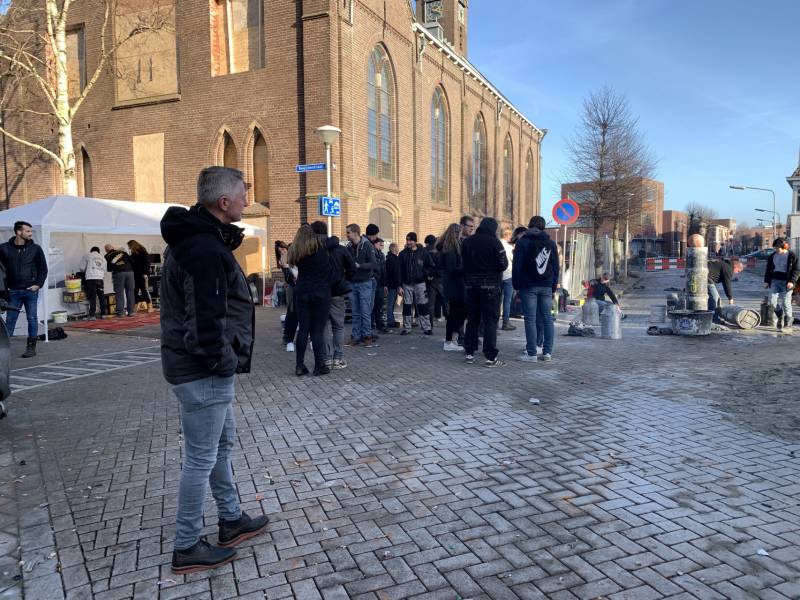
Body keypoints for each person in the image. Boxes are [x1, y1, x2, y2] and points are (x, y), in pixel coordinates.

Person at [160, 166, 268, 574]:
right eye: (243, 193)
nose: (247, 198)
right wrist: (223, 361)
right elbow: (205, 320)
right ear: (224, 203)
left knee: (219, 448)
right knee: (201, 458)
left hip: (200, 369)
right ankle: (187, 545)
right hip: (202, 371)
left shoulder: (199, 239)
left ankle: (231, 518)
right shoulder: (202, 248)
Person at [462, 218, 508, 367]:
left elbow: (463, 262)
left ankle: (469, 352)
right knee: (490, 321)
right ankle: (490, 357)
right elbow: (503, 264)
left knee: (472, 319)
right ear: (493, 228)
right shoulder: (495, 242)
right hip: (490, 286)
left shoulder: (467, 242)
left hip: (471, 286)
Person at [513, 215, 559, 363]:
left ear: (529, 225)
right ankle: (547, 353)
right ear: (543, 227)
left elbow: (517, 266)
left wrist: (516, 285)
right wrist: (553, 287)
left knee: (530, 319)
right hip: (546, 285)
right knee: (547, 319)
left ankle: (532, 353)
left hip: (528, 286)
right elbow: (556, 267)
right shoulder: (551, 243)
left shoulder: (522, 242)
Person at [288, 225, 333, 376]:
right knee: (317, 330)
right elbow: (334, 242)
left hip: (302, 292)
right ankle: (319, 365)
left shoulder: (296, 253)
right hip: (320, 292)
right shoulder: (320, 249)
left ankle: (299, 366)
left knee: (303, 329)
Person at [0, 220, 48, 357]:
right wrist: (3, 289)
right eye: (27, 231)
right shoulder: (4, 248)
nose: (30, 234)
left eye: (31, 231)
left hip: (30, 290)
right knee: (10, 320)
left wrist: (38, 284)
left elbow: (43, 269)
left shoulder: (36, 249)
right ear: (18, 232)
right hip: (13, 291)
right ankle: (4, 349)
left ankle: (31, 348)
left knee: (32, 318)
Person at [311, 221, 355, 370]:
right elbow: (351, 268)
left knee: (324, 327)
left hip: (321, 293)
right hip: (337, 292)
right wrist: (345, 280)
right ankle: (338, 358)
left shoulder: (314, 250)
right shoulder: (341, 250)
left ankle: (327, 358)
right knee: (338, 327)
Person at [346, 224, 377, 346]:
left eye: (348, 232)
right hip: (353, 283)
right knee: (355, 311)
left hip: (365, 282)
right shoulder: (348, 247)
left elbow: (373, 263)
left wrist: (360, 266)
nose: (347, 235)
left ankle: (367, 336)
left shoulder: (367, 245)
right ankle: (356, 336)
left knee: (365, 310)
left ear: (355, 233)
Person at [399, 232, 435, 336]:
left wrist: (428, 274)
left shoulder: (423, 253)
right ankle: (407, 328)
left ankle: (427, 327)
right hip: (407, 284)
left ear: (415, 241)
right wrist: (399, 285)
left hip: (420, 283)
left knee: (423, 306)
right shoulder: (402, 254)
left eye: (411, 240)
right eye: (407, 240)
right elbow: (399, 270)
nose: (408, 242)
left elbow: (431, 265)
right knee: (406, 306)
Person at [438, 224, 466, 352]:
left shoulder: (449, 247)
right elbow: (452, 269)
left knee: (456, 313)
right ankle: (449, 341)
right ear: (456, 233)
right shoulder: (450, 249)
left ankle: (452, 340)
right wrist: (466, 268)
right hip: (454, 285)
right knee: (455, 313)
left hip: (453, 284)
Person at [764, 238, 799, 332]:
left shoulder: (792, 256)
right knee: (771, 302)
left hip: (787, 282)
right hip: (775, 281)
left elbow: (796, 270)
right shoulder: (772, 256)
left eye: (778, 248)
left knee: (786, 302)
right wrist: (767, 281)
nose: (776, 250)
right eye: (775, 248)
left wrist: (792, 281)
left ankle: (788, 323)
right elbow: (769, 269)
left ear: (784, 246)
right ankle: (780, 316)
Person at [276, 241, 298, 352]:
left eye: (283, 249)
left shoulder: (292, 256)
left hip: (295, 286)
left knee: (293, 311)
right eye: (280, 251)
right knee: (292, 311)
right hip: (292, 287)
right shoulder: (283, 259)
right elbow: (290, 274)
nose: (282, 251)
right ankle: (288, 337)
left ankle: (288, 337)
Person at [104, 244, 136, 318]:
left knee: (119, 293)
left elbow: (108, 268)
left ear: (106, 250)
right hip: (130, 272)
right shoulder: (123, 252)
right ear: (113, 248)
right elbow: (132, 261)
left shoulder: (107, 256)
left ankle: (121, 313)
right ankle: (131, 312)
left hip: (119, 273)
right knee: (130, 292)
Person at [707, 257, 742, 322]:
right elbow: (727, 284)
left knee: (711, 298)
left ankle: (713, 316)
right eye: (738, 271)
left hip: (705, 276)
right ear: (736, 267)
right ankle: (714, 319)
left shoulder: (725, 264)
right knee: (716, 298)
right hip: (707, 278)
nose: (737, 273)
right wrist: (730, 298)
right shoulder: (728, 269)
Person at [425, 234, 447, 323]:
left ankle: (429, 326)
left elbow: (424, 266)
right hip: (441, 279)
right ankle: (449, 322)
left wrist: (429, 275)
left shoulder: (424, 251)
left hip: (430, 280)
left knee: (430, 304)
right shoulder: (441, 252)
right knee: (445, 301)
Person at [80, 246, 107, 320]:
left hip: (90, 278)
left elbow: (82, 268)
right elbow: (105, 270)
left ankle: (92, 315)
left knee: (92, 297)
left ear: (91, 251)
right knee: (101, 297)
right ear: (98, 251)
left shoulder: (87, 255)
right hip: (100, 278)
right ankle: (104, 314)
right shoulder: (103, 258)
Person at [127, 239, 153, 313]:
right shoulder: (133, 254)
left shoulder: (143, 252)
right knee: (135, 291)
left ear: (133, 245)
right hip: (135, 275)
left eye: (129, 246)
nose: (129, 248)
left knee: (144, 291)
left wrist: (145, 273)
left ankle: (150, 306)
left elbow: (147, 263)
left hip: (143, 275)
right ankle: (135, 307)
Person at [500, 227, 516, 331]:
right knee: (507, 300)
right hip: (508, 275)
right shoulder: (509, 248)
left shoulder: (496, 244)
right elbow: (514, 260)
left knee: (497, 301)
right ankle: (505, 323)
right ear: (507, 235)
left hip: (498, 276)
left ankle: (494, 323)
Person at [372, 238, 388, 334]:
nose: (382, 247)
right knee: (374, 305)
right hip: (374, 282)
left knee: (379, 305)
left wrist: (385, 284)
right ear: (375, 244)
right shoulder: (372, 253)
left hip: (380, 283)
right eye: (380, 245)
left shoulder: (381, 255)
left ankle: (379, 324)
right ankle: (374, 324)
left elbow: (383, 270)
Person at [385, 242, 401, 328]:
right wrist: (398, 284)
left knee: (391, 303)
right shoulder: (392, 259)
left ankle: (391, 320)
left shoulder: (391, 258)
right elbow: (394, 273)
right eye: (397, 247)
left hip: (392, 284)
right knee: (390, 303)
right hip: (392, 285)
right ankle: (390, 321)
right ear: (394, 249)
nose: (398, 249)